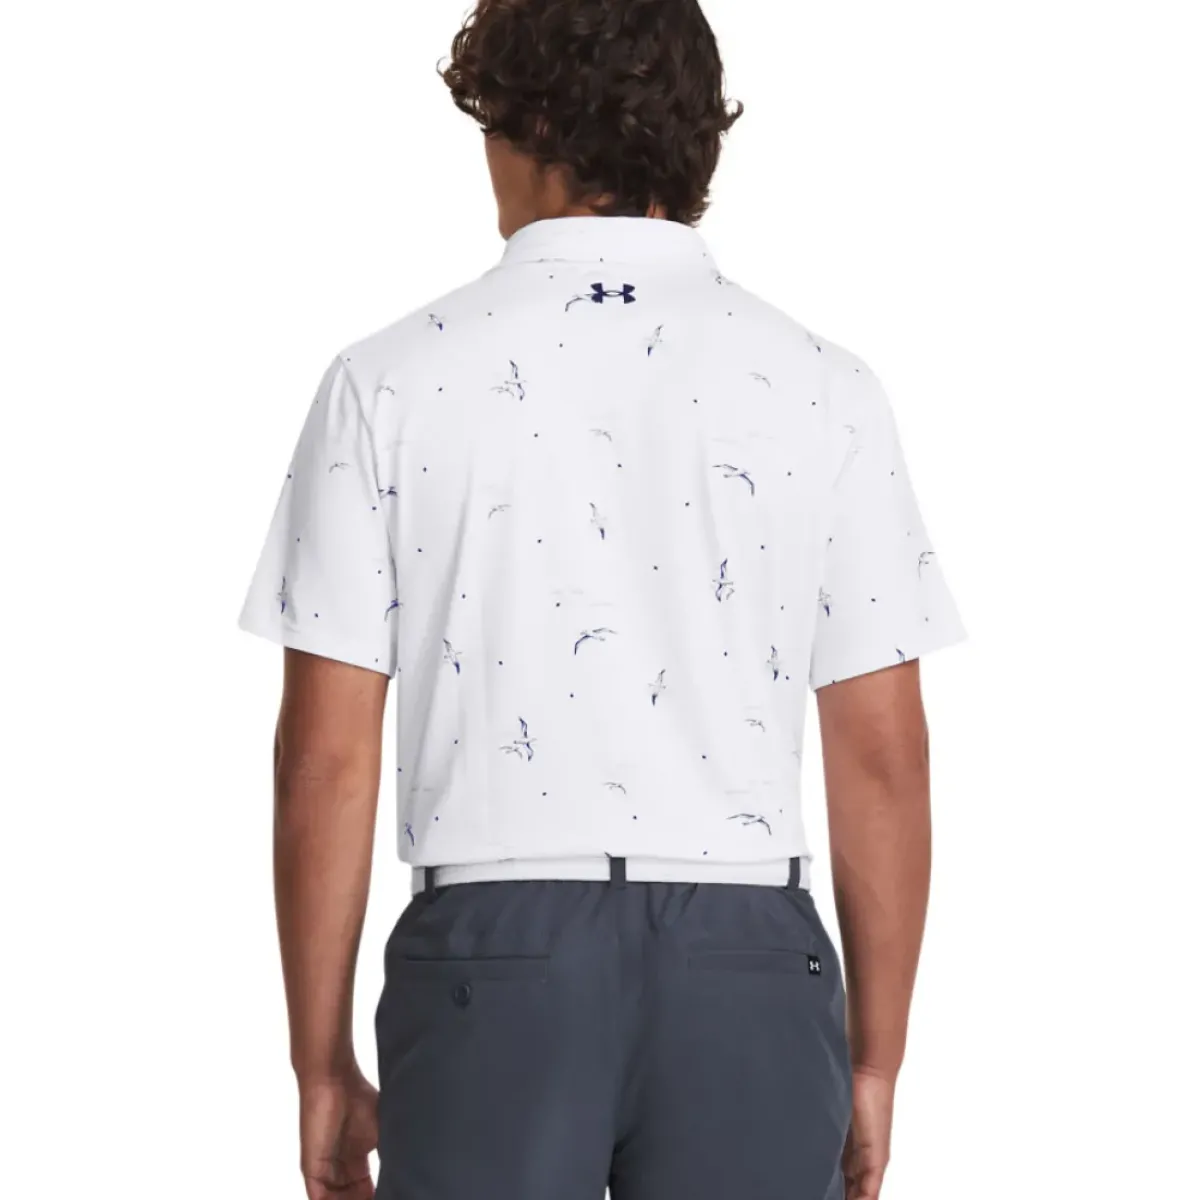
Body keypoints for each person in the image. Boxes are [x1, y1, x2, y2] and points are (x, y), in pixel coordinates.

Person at [238, 2, 965, 1197]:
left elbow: (323, 757)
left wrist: (319, 1063)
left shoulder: (387, 381)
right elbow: (885, 758)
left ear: (522, 128)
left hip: (492, 963)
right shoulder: (825, 388)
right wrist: (875, 1061)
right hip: (748, 967)